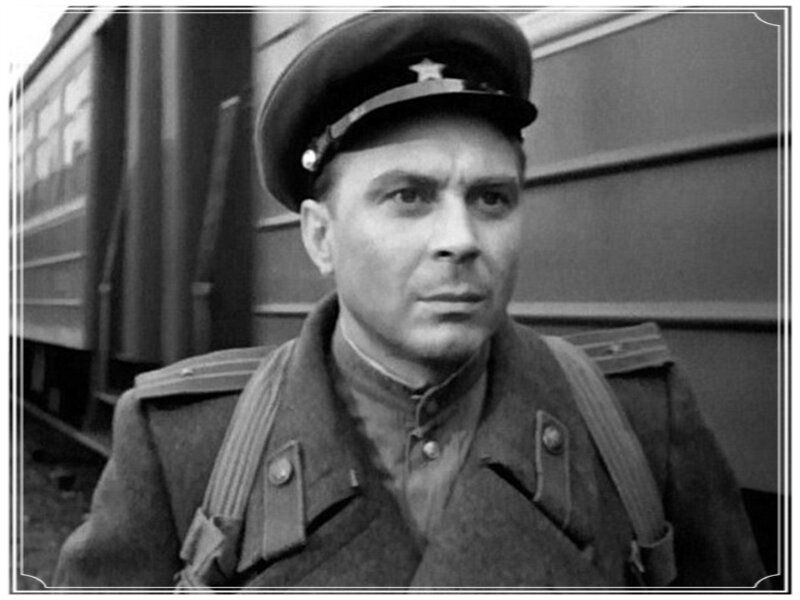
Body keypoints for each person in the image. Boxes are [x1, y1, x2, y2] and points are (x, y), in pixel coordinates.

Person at [54, 11, 767, 589]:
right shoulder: (186, 451)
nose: (461, 239)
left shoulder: (637, 430)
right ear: (321, 236)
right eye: (409, 196)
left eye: (492, 198)